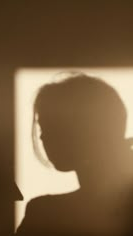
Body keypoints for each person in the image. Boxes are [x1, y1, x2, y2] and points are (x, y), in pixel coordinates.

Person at [15, 73, 133, 236]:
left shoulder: (47, 214)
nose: (43, 137)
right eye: (43, 128)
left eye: (54, 127)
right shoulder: (45, 211)